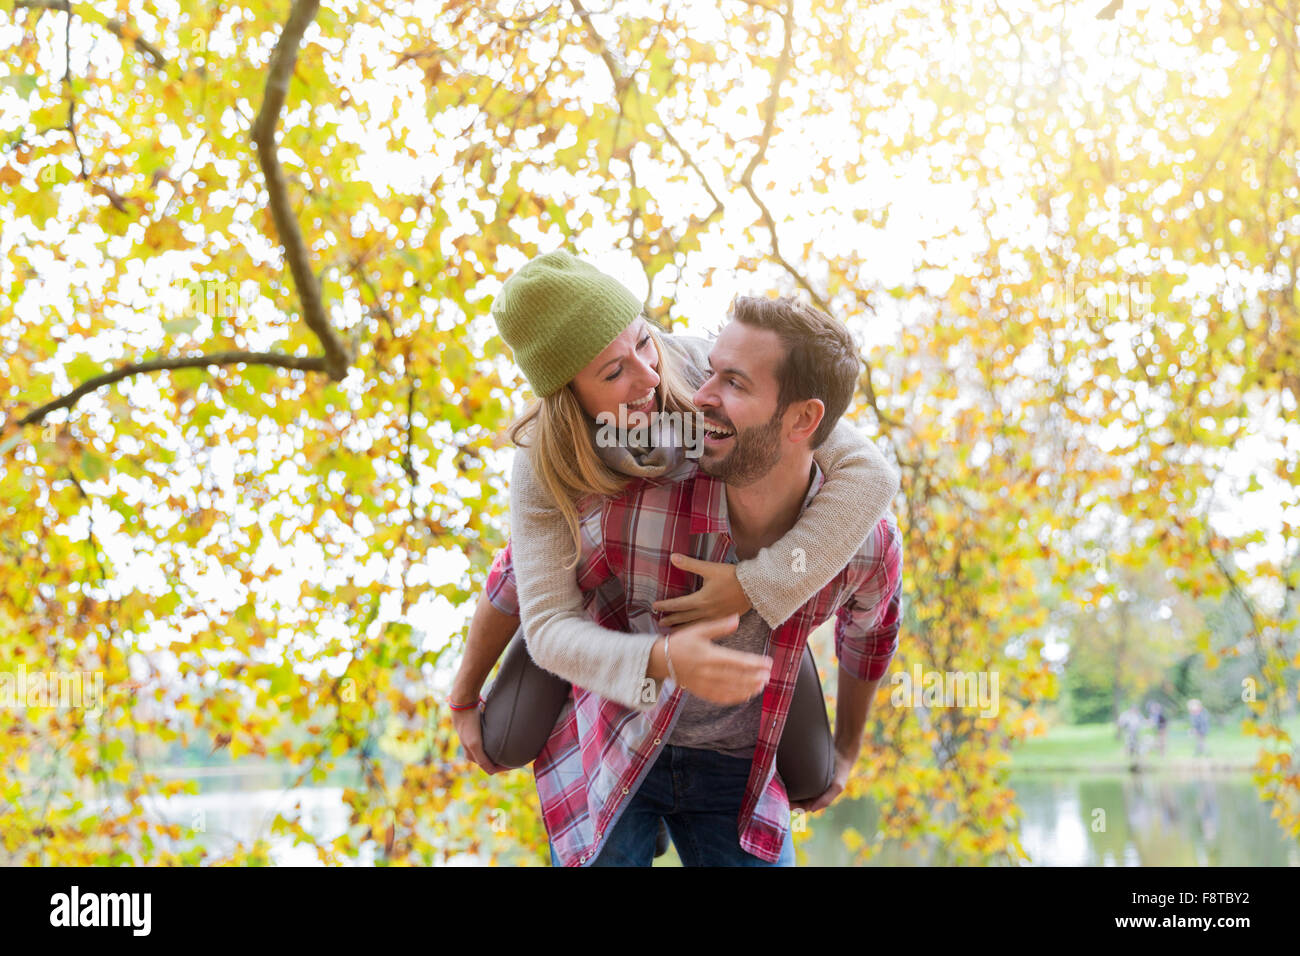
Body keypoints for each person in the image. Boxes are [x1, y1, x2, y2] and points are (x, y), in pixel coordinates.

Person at [472, 290, 903, 866]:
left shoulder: (861, 539)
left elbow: (872, 629)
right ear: (571, 395)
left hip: (738, 762)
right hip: (619, 737)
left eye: (734, 382)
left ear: (803, 419)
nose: (688, 391)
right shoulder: (632, 486)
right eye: (613, 371)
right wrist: (464, 691)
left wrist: (847, 750)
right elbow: (524, 582)